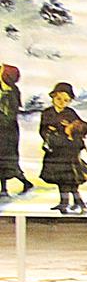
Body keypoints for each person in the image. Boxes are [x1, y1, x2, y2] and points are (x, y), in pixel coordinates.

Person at [39, 82, 87, 214]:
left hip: (69, 152)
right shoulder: (47, 113)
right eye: (59, 98)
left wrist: (70, 130)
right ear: (53, 97)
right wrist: (49, 134)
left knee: (68, 180)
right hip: (54, 151)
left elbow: (79, 128)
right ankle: (72, 202)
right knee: (61, 179)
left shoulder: (70, 113)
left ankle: (69, 203)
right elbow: (42, 130)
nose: (62, 102)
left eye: (66, 100)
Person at [0, 64, 34, 197]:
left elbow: (10, 114)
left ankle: (25, 182)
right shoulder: (2, 89)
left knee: (8, 161)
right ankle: (4, 189)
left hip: (7, 132)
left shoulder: (12, 92)